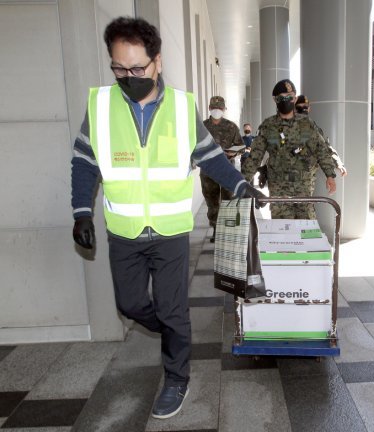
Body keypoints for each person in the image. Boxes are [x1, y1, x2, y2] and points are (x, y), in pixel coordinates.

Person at [70, 16, 264, 420]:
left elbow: (210, 155)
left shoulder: (180, 106)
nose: (128, 76)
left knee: (174, 311)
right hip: (124, 231)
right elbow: (84, 161)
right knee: (130, 304)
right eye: (119, 68)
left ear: (157, 62)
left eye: (137, 68)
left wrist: (242, 186)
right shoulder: (101, 105)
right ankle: (168, 331)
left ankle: (177, 377)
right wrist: (82, 212)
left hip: (170, 232)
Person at [242, 79, 337, 219]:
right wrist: (241, 182)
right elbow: (255, 157)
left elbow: (321, 150)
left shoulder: (307, 124)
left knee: (306, 231)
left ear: (295, 98)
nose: (286, 100)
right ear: (275, 100)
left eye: (290, 97)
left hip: (304, 189)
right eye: (282, 98)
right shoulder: (268, 126)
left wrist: (330, 175)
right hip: (279, 191)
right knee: (283, 233)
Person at [201, 95, 245, 242]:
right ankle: (216, 229)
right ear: (209, 108)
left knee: (228, 200)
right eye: (214, 108)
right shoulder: (202, 127)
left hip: (226, 169)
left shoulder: (231, 127)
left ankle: (227, 229)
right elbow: (195, 146)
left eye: (219, 108)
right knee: (212, 201)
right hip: (208, 171)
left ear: (224, 109)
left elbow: (241, 146)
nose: (217, 110)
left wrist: (233, 152)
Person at [295, 94, 348, 177]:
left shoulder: (313, 127)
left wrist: (338, 163)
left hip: (306, 179)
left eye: (305, 107)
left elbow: (325, 146)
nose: (303, 111)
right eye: (299, 108)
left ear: (309, 109)